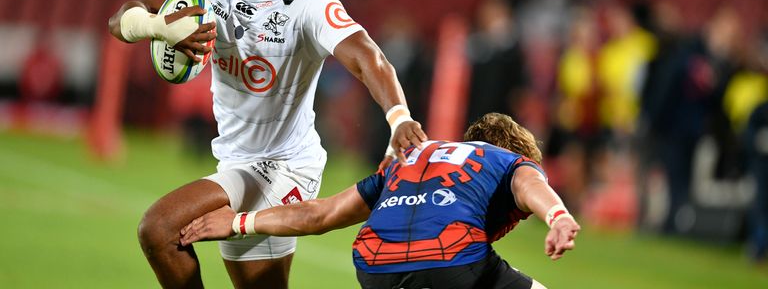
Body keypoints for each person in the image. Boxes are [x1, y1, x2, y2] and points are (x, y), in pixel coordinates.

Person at [107, 0, 427, 288]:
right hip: (236, 160)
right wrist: (158, 27)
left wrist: (399, 118)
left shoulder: (307, 3)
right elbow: (120, 20)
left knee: (158, 228)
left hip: (285, 165)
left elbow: (368, 57)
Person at [180, 113, 581, 289]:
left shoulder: (409, 160)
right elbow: (529, 185)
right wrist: (558, 216)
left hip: (375, 266)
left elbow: (323, 213)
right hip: (452, 257)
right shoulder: (508, 160)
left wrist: (237, 223)